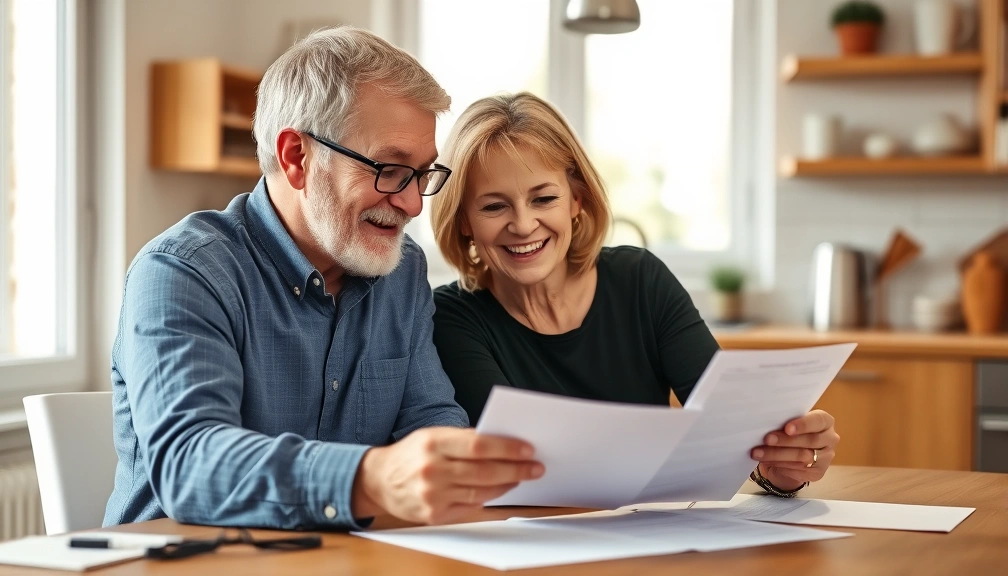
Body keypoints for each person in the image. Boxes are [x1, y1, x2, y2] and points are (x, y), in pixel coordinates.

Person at [104, 28, 544, 531]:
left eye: (422, 174)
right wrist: (368, 478)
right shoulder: (184, 271)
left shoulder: (403, 272)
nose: (412, 203)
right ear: (296, 157)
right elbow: (191, 463)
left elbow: (430, 418)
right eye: (391, 169)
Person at [430, 92, 839, 495]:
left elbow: (731, 433)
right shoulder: (451, 317)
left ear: (576, 200)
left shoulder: (641, 281)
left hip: (651, 538)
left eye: (544, 198)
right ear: (464, 220)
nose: (523, 224)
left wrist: (780, 469)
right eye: (493, 207)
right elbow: (514, 463)